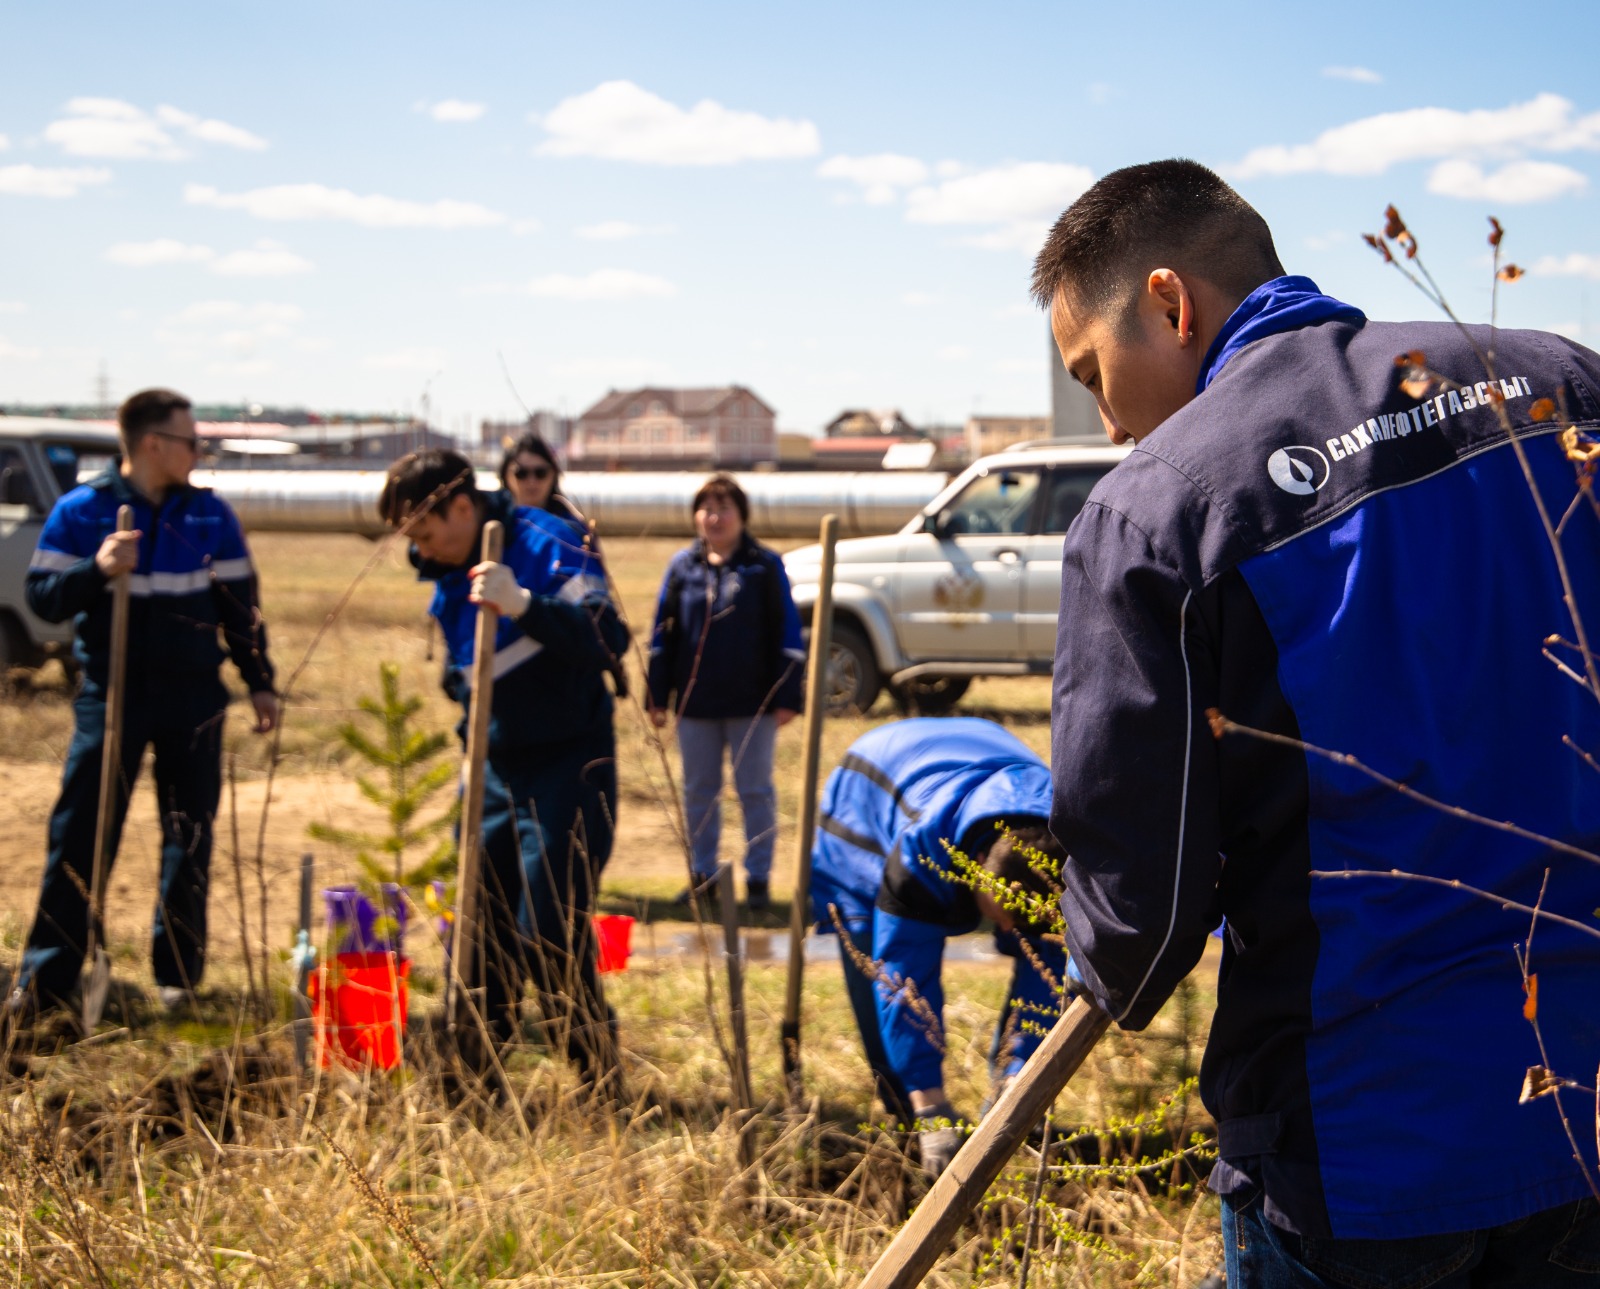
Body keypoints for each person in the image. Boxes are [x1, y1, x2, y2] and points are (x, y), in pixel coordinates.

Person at [1035, 160, 1600, 1284]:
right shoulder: (1564, 388)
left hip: (1362, 1147)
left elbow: (1136, 925)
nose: (1105, 423)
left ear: (1168, 302)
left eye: (1093, 372)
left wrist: (1103, 958)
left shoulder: (1163, 506)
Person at [5, 388, 277, 1030]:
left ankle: (177, 976)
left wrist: (259, 680)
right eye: (192, 441)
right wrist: (96, 570)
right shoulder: (83, 510)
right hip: (115, 692)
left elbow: (240, 607)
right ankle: (48, 980)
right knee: (82, 832)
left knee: (190, 835)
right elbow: (43, 597)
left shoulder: (211, 517)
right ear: (153, 444)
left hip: (194, 695)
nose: (199, 452)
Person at [379, 449, 628, 1086]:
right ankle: (475, 1076)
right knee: (479, 926)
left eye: (428, 534)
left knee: (547, 924)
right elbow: (463, 678)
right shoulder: (445, 567)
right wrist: (472, 745)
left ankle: (598, 1075)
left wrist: (525, 606)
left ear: (462, 508)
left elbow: (608, 637)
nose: (424, 552)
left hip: (569, 759)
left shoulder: (547, 541)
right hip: (493, 767)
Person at [809, 717, 1068, 1177]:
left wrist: (1017, 1080)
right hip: (863, 796)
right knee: (873, 966)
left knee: (1041, 952)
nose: (1008, 927)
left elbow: (1045, 979)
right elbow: (902, 977)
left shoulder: (1058, 852)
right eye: (1004, 913)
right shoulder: (920, 855)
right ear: (983, 872)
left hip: (975, 759)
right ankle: (908, 1126)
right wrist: (931, 1105)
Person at [646, 473, 803, 913]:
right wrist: (657, 694)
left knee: (754, 790)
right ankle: (702, 875)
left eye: (724, 508)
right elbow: (663, 633)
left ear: (742, 515)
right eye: (707, 509)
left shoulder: (764, 567)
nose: (715, 518)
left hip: (752, 703)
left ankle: (758, 882)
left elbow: (788, 632)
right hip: (696, 705)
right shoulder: (682, 568)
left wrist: (788, 695)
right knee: (699, 790)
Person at [497, 431, 628, 699]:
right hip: (507, 662)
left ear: (553, 475)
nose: (531, 481)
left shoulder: (573, 531)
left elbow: (598, 605)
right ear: (506, 477)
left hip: (567, 659)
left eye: (540, 472)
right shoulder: (494, 531)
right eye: (521, 473)